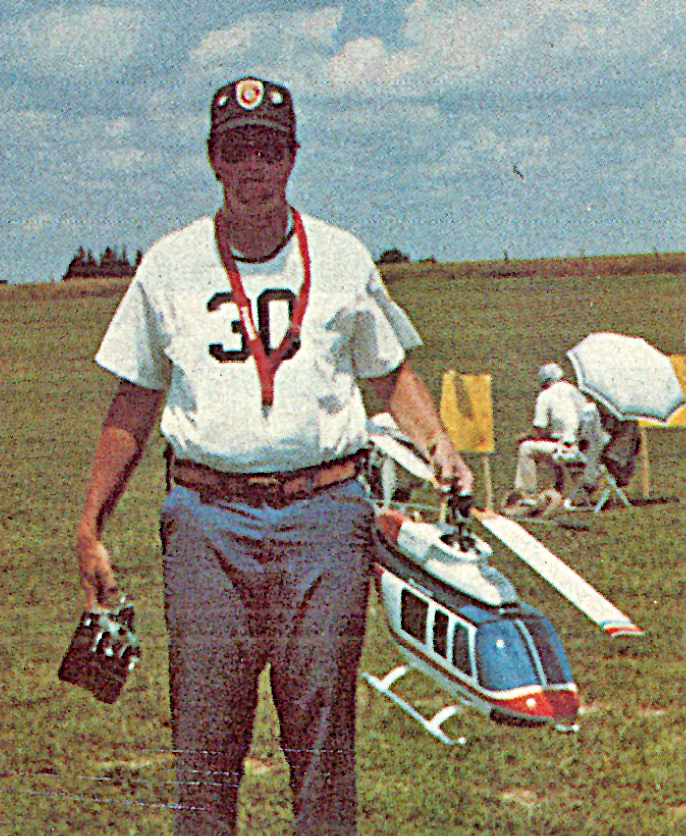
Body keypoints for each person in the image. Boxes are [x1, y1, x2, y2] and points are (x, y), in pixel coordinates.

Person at [75, 76, 473, 836]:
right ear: (213, 160)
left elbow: (388, 372)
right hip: (205, 522)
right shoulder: (167, 265)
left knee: (323, 733)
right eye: (237, 148)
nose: (253, 165)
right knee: (205, 734)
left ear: (292, 157)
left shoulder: (345, 256)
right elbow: (134, 399)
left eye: (269, 148)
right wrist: (91, 524)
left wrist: (438, 442)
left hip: (325, 518)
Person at [504, 363, 594, 513]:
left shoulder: (545, 396)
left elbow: (539, 429)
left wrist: (526, 436)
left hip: (566, 450)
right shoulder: (575, 392)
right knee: (554, 446)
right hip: (585, 448)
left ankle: (527, 495)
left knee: (526, 448)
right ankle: (562, 491)